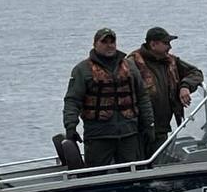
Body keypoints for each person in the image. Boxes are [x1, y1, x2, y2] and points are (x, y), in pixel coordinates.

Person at [62, 27, 154, 167]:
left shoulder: (130, 66)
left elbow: (142, 96)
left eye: (112, 41)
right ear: (95, 44)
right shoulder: (82, 69)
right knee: (96, 175)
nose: (109, 45)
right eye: (104, 42)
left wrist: (148, 125)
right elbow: (72, 101)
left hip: (129, 134)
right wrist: (71, 127)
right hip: (98, 136)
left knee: (133, 174)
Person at [127, 26, 204, 154]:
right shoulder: (131, 63)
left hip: (162, 128)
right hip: (138, 128)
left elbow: (196, 73)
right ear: (153, 44)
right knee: (140, 163)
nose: (169, 47)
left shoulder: (171, 61)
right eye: (166, 43)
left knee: (159, 162)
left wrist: (185, 86)